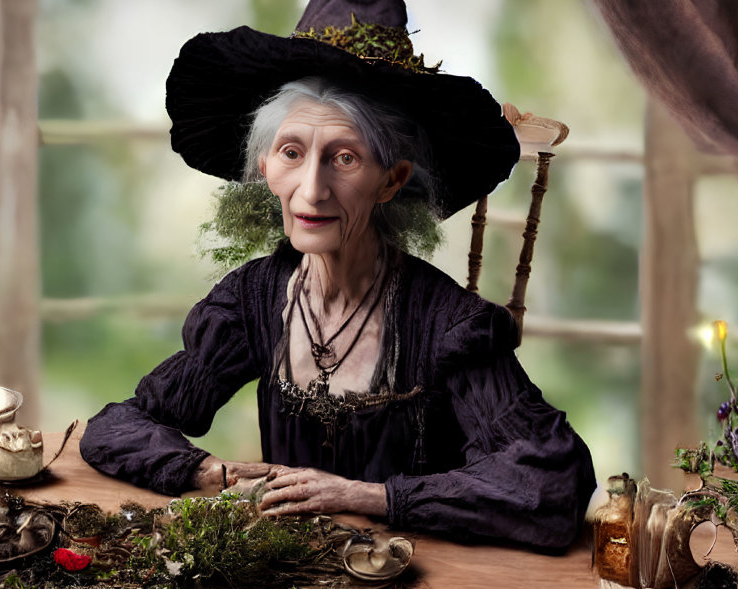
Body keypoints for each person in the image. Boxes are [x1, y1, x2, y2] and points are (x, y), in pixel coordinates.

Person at [80, 0, 596, 550]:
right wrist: (209, 471)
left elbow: (554, 483)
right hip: (286, 576)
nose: (311, 190)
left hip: (424, 581)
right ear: (266, 169)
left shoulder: (447, 324)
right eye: (292, 152)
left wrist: (366, 496)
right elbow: (115, 428)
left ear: (392, 179)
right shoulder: (252, 300)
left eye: (344, 158)